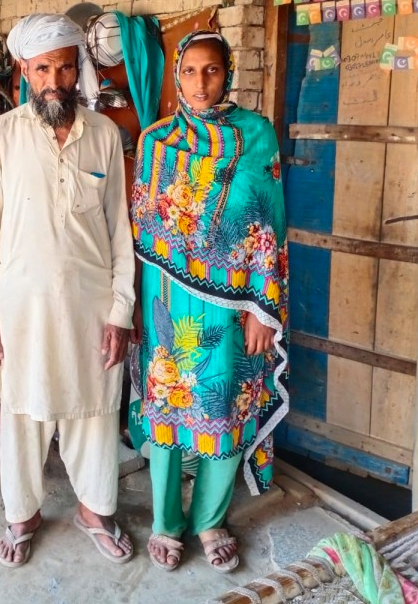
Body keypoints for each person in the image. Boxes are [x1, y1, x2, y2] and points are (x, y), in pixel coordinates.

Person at [0, 13, 136, 568]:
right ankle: (23, 514)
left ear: (77, 68)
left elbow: (120, 231)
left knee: (94, 412)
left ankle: (95, 509)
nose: (56, 81)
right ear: (24, 69)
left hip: (91, 304)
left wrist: (121, 312)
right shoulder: (3, 135)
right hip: (22, 306)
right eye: (44, 68)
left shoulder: (105, 135)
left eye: (66, 68)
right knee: (23, 411)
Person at [130, 30, 289, 572]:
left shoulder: (256, 136)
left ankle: (210, 519)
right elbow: (146, 230)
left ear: (228, 74)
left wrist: (260, 309)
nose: (202, 83)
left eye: (213, 70)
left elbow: (268, 222)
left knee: (224, 404)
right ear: (178, 74)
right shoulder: (156, 142)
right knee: (170, 402)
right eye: (192, 71)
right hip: (168, 299)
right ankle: (165, 521)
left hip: (233, 304)